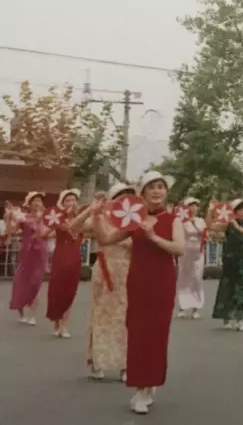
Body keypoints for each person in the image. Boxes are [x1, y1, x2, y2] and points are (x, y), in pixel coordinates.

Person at [92, 171, 185, 414]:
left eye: (160, 187)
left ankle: (148, 386)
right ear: (142, 193)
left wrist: (153, 237)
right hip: (138, 282)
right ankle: (141, 387)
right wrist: (96, 215)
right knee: (137, 333)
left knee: (157, 335)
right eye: (151, 187)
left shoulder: (173, 220)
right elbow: (106, 239)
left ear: (166, 192)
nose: (156, 191)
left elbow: (179, 248)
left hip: (162, 282)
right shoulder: (134, 219)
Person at [68, 183, 135, 381]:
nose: (124, 200)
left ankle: (125, 365)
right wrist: (91, 208)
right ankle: (98, 360)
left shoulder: (135, 221)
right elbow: (74, 227)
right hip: (105, 270)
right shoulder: (102, 218)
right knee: (102, 314)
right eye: (120, 196)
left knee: (127, 317)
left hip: (129, 270)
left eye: (129, 196)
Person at [208, 198, 243, 332]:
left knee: (241, 290)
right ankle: (226, 317)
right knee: (227, 288)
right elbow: (211, 226)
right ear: (234, 212)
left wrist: (238, 227)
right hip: (230, 260)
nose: (242, 212)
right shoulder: (227, 224)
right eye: (240, 210)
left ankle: (239, 319)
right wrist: (210, 210)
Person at [5, 192, 48, 325]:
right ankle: (22, 313)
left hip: (40, 253)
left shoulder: (47, 217)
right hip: (26, 253)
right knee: (20, 282)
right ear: (29, 204)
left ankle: (32, 315)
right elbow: (11, 231)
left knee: (35, 283)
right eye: (35, 200)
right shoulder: (23, 217)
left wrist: (41, 218)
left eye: (40, 200)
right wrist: (9, 218)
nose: (37, 202)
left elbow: (48, 232)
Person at [45, 188, 83, 338]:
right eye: (68, 200)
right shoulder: (58, 219)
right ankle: (56, 320)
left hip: (75, 257)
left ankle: (64, 325)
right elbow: (44, 232)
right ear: (62, 203)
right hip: (60, 256)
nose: (71, 203)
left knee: (70, 291)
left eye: (73, 200)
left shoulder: (81, 219)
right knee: (58, 289)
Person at [176, 197, 206, 319]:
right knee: (184, 279)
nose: (193, 208)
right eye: (190, 206)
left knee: (197, 279)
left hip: (198, 253)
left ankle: (196, 308)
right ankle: (182, 307)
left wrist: (194, 223)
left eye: (195, 206)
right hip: (185, 252)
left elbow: (203, 234)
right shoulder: (181, 220)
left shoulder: (201, 221)